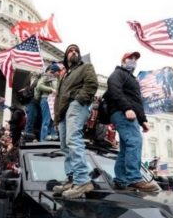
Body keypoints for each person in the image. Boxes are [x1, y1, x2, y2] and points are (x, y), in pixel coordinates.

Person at [107, 51, 158, 192]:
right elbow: (113, 88)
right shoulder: (119, 73)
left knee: (125, 148)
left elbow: (136, 101)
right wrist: (126, 108)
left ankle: (121, 180)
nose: (133, 60)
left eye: (135, 59)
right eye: (130, 58)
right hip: (122, 113)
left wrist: (143, 120)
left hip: (130, 114)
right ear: (123, 60)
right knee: (134, 141)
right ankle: (134, 178)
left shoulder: (132, 79)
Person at [53, 44, 98, 199]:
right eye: (70, 51)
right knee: (65, 146)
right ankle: (72, 179)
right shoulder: (64, 76)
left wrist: (78, 100)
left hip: (76, 106)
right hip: (63, 112)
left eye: (76, 51)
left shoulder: (85, 67)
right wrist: (56, 118)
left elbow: (92, 85)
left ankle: (82, 180)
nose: (73, 52)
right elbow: (58, 98)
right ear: (66, 56)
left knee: (73, 139)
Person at [36, 63, 60, 141]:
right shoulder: (46, 76)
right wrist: (51, 89)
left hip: (53, 100)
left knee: (52, 120)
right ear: (55, 71)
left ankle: (52, 137)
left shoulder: (56, 79)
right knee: (46, 120)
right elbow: (39, 86)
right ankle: (43, 139)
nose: (59, 73)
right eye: (58, 71)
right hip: (46, 99)